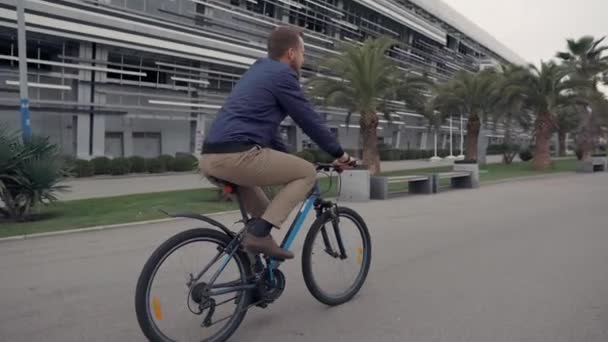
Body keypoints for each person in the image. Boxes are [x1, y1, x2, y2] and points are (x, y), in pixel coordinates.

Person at [200, 26, 355, 260]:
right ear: (291, 53)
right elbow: (308, 119)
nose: (304, 59)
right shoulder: (283, 75)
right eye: (303, 53)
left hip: (210, 158)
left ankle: (253, 280)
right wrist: (340, 154)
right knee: (306, 174)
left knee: (265, 214)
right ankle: (258, 236)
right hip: (237, 155)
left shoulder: (259, 72)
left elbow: (270, 133)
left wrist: (290, 159)